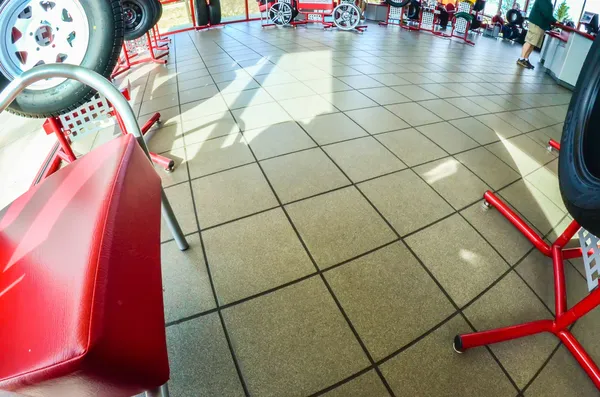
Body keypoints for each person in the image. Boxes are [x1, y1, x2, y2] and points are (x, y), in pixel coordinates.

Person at [518, 0, 556, 69]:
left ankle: (525, 59)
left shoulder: (548, 1)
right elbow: (546, 13)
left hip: (540, 25)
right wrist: (555, 20)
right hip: (536, 24)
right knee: (529, 41)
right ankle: (521, 59)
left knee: (533, 43)